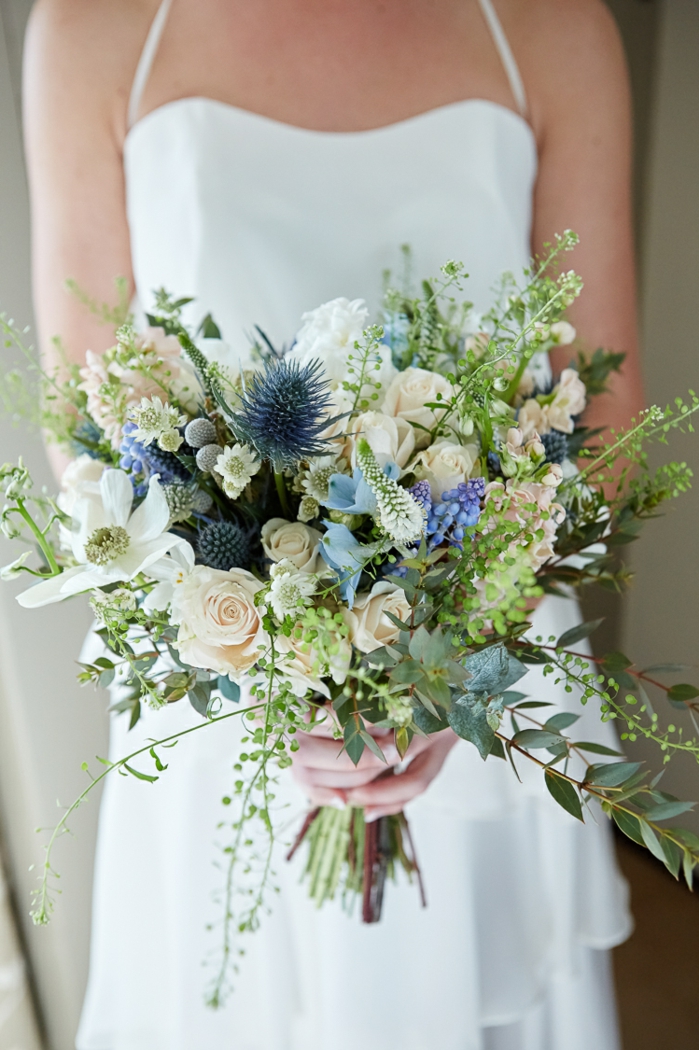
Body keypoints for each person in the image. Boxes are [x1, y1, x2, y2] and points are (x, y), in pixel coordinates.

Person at [24, 1, 644, 1047]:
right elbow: (91, 428)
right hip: (220, 666)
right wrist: (275, 663)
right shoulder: (91, 28)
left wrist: (446, 671)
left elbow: (607, 430)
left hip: (484, 654)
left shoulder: (554, 26)